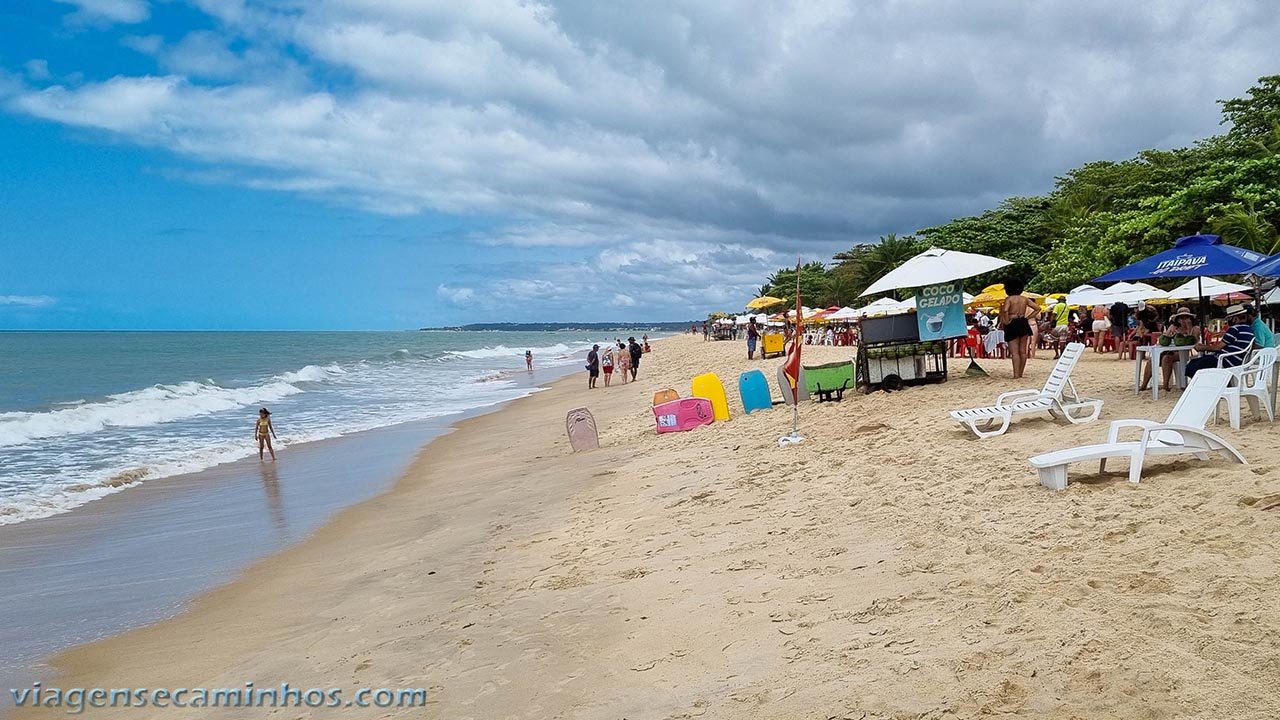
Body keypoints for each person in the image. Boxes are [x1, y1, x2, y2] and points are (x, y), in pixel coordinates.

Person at [1186, 305, 1255, 379]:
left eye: (1229, 319)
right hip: (1236, 360)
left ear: (1235, 318)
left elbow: (1217, 348)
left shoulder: (1235, 329)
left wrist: (1202, 347)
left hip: (1226, 360)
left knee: (1192, 366)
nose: (1228, 322)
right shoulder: (1249, 330)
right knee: (1198, 362)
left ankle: (1204, 385)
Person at [1141, 307, 1199, 392]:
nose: (1184, 320)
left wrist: (1189, 329)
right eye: (1181, 317)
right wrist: (1169, 332)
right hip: (1169, 350)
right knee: (1151, 360)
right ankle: (1144, 385)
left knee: (1167, 359)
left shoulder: (1195, 328)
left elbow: (1193, 341)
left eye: (1186, 317)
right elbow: (1163, 341)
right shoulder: (1174, 327)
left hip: (1183, 353)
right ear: (1178, 319)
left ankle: (1165, 385)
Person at [999, 278, 1037, 379]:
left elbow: (1006, 310)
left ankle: (1016, 374)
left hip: (1013, 323)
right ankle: (1021, 373)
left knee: (1015, 352)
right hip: (1023, 322)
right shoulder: (1024, 299)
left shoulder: (1009, 299)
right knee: (1023, 351)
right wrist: (1027, 317)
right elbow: (1037, 308)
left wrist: (1006, 320)